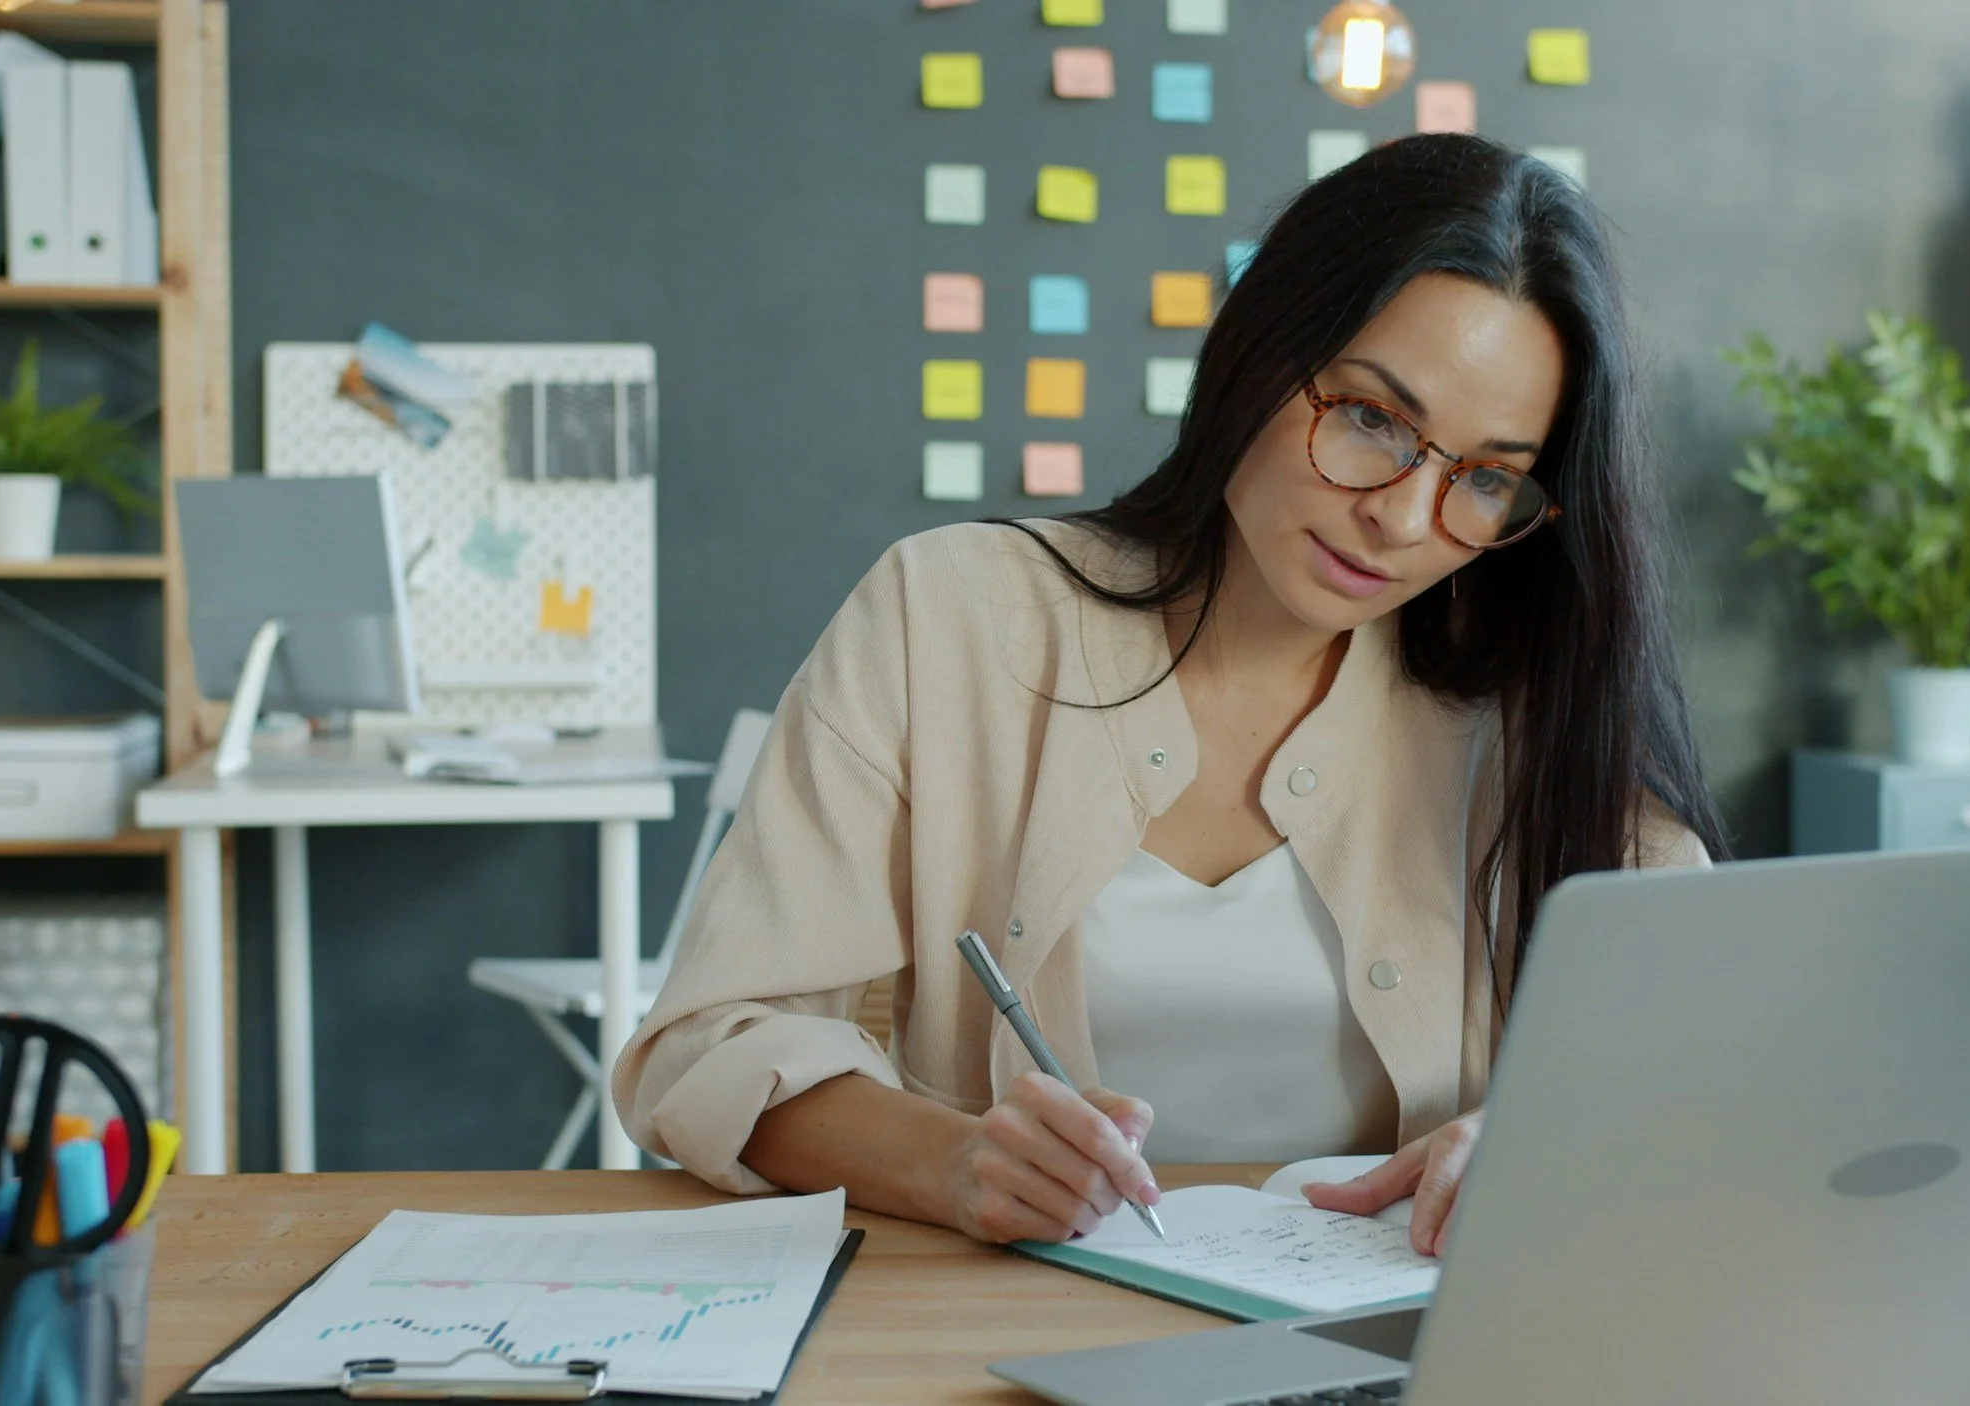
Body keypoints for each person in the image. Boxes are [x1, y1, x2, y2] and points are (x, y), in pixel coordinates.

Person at [616, 133, 1727, 1256]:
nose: (1398, 516)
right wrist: (954, 1160)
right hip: (993, 1318)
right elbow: (710, 1044)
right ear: (1256, 348)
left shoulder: (1541, 700)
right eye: (1371, 418)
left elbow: (1718, 1070)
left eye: (1484, 478)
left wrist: (1537, 1135)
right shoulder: (947, 613)